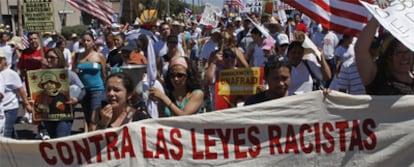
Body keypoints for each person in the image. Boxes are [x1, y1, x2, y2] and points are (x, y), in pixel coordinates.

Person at [355, 17, 414, 95]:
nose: (405, 57)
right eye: (399, 53)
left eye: (408, 51)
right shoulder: (377, 78)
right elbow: (360, 50)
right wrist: (376, 17)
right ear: (388, 56)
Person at [34, 48, 85, 139]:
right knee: (53, 141)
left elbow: (82, 89)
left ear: (60, 59)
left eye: (52, 58)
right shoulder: (41, 75)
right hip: (48, 116)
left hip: (64, 115)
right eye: (47, 57)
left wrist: (76, 99)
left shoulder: (69, 74)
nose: (49, 60)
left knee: (61, 140)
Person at [72, 31, 107, 131]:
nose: (86, 43)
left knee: (94, 118)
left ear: (93, 42)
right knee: (87, 117)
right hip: (83, 91)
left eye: (88, 40)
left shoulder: (99, 56)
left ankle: (95, 137)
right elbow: (74, 73)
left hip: (97, 90)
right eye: (84, 41)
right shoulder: (78, 56)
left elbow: (104, 74)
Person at [0, 50, 33, 138]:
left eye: (0, 60)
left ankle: (5, 150)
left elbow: (21, 90)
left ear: (4, 61)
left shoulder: (12, 74)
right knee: (9, 130)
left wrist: (27, 105)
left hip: (10, 108)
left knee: (5, 131)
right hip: (1, 108)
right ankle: (17, 145)